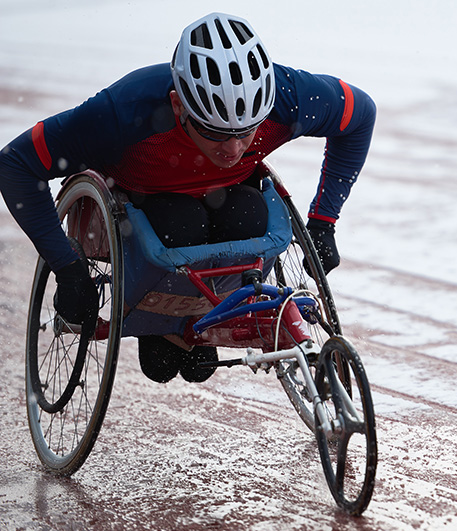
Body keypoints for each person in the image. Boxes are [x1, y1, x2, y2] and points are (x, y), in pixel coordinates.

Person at [0, 13, 376, 384]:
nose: (232, 148)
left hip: (231, 199)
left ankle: (195, 317)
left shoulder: (288, 96)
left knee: (248, 216)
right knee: (180, 223)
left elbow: (359, 115)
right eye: (214, 132)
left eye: (246, 132)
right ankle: (164, 327)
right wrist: (68, 268)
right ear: (179, 105)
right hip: (150, 209)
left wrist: (324, 221)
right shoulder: (123, 113)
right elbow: (15, 164)